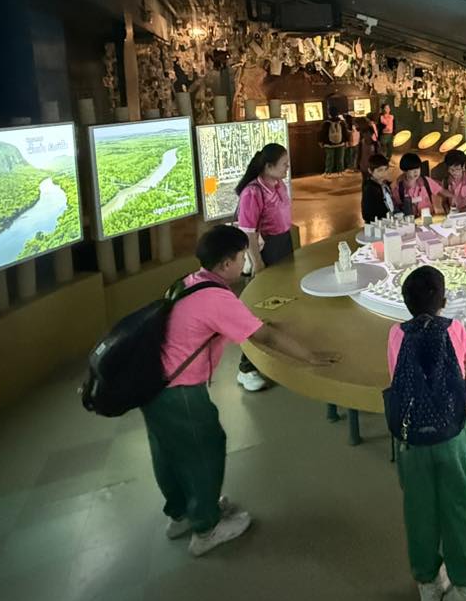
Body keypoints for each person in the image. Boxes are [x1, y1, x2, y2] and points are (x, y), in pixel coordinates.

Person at [145, 226, 338, 557]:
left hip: (153, 383)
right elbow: (264, 336)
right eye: (241, 258)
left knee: (168, 451)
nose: (244, 263)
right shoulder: (216, 298)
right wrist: (310, 357)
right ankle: (206, 528)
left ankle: (181, 513)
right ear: (225, 264)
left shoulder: (190, 282)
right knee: (203, 450)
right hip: (180, 390)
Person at [387, 265, 466, 601]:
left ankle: (428, 583)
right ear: (444, 301)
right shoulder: (455, 328)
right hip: (454, 432)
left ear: (405, 302)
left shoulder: (396, 334)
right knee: (459, 507)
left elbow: (395, 376)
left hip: (412, 437)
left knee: (418, 509)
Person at [233, 142, 294, 392]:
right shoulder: (252, 193)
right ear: (268, 166)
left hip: (283, 246)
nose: (287, 169)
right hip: (265, 252)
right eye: (284, 165)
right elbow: (248, 233)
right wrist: (258, 263)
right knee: (259, 309)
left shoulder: (278, 185)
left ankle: (274, 355)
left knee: (283, 304)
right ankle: (246, 367)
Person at [362, 154, 396, 223]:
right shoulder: (369, 189)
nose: (384, 173)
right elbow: (367, 214)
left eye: (385, 169)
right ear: (370, 171)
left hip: (389, 221)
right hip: (378, 224)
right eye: (380, 170)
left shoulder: (385, 184)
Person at [322, 112, 347, 176]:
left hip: (329, 144)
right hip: (341, 143)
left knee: (329, 159)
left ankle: (328, 172)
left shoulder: (326, 123)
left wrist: (322, 142)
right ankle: (340, 171)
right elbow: (345, 132)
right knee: (340, 158)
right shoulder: (341, 122)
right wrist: (346, 141)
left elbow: (323, 133)